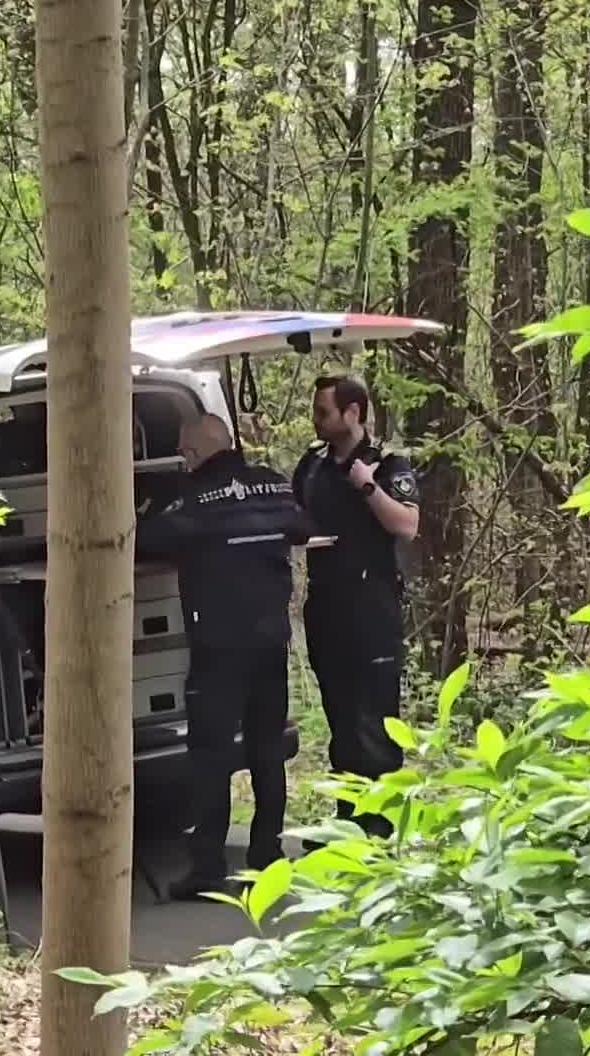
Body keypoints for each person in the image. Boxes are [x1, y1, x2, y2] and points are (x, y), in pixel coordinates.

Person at [137, 414, 312, 900]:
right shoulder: (272, 486)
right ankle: (266, 855)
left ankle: (208, 867)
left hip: (218, 648)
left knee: (210, 758)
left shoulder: (188, 499)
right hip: (270, 642)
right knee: (267, 750)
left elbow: (145, 540)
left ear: (192, 454)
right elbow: (302, 526)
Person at [290, 375, 418, 839]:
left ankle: (382, 831)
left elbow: (407, 525)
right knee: (342, 724)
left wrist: (367, 487)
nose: (316, 420)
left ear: (353, 412)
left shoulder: (387, 464)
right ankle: (349, 828)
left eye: (324, 411)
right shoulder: (312, 464)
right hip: (326, 608)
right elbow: (295, 513)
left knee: (377, 726)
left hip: (373, 610)